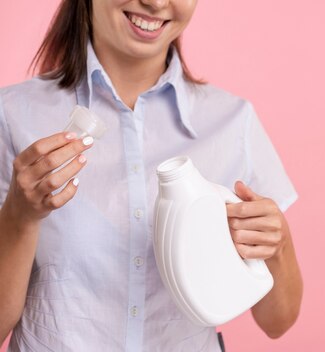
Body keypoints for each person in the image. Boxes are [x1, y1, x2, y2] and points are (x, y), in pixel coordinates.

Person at [0, 0, 303, 350]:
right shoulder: (13, 116)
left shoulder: (233, 121)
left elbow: (277, 322)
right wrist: (20, 216)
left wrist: (277, 244)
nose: (157, 3)